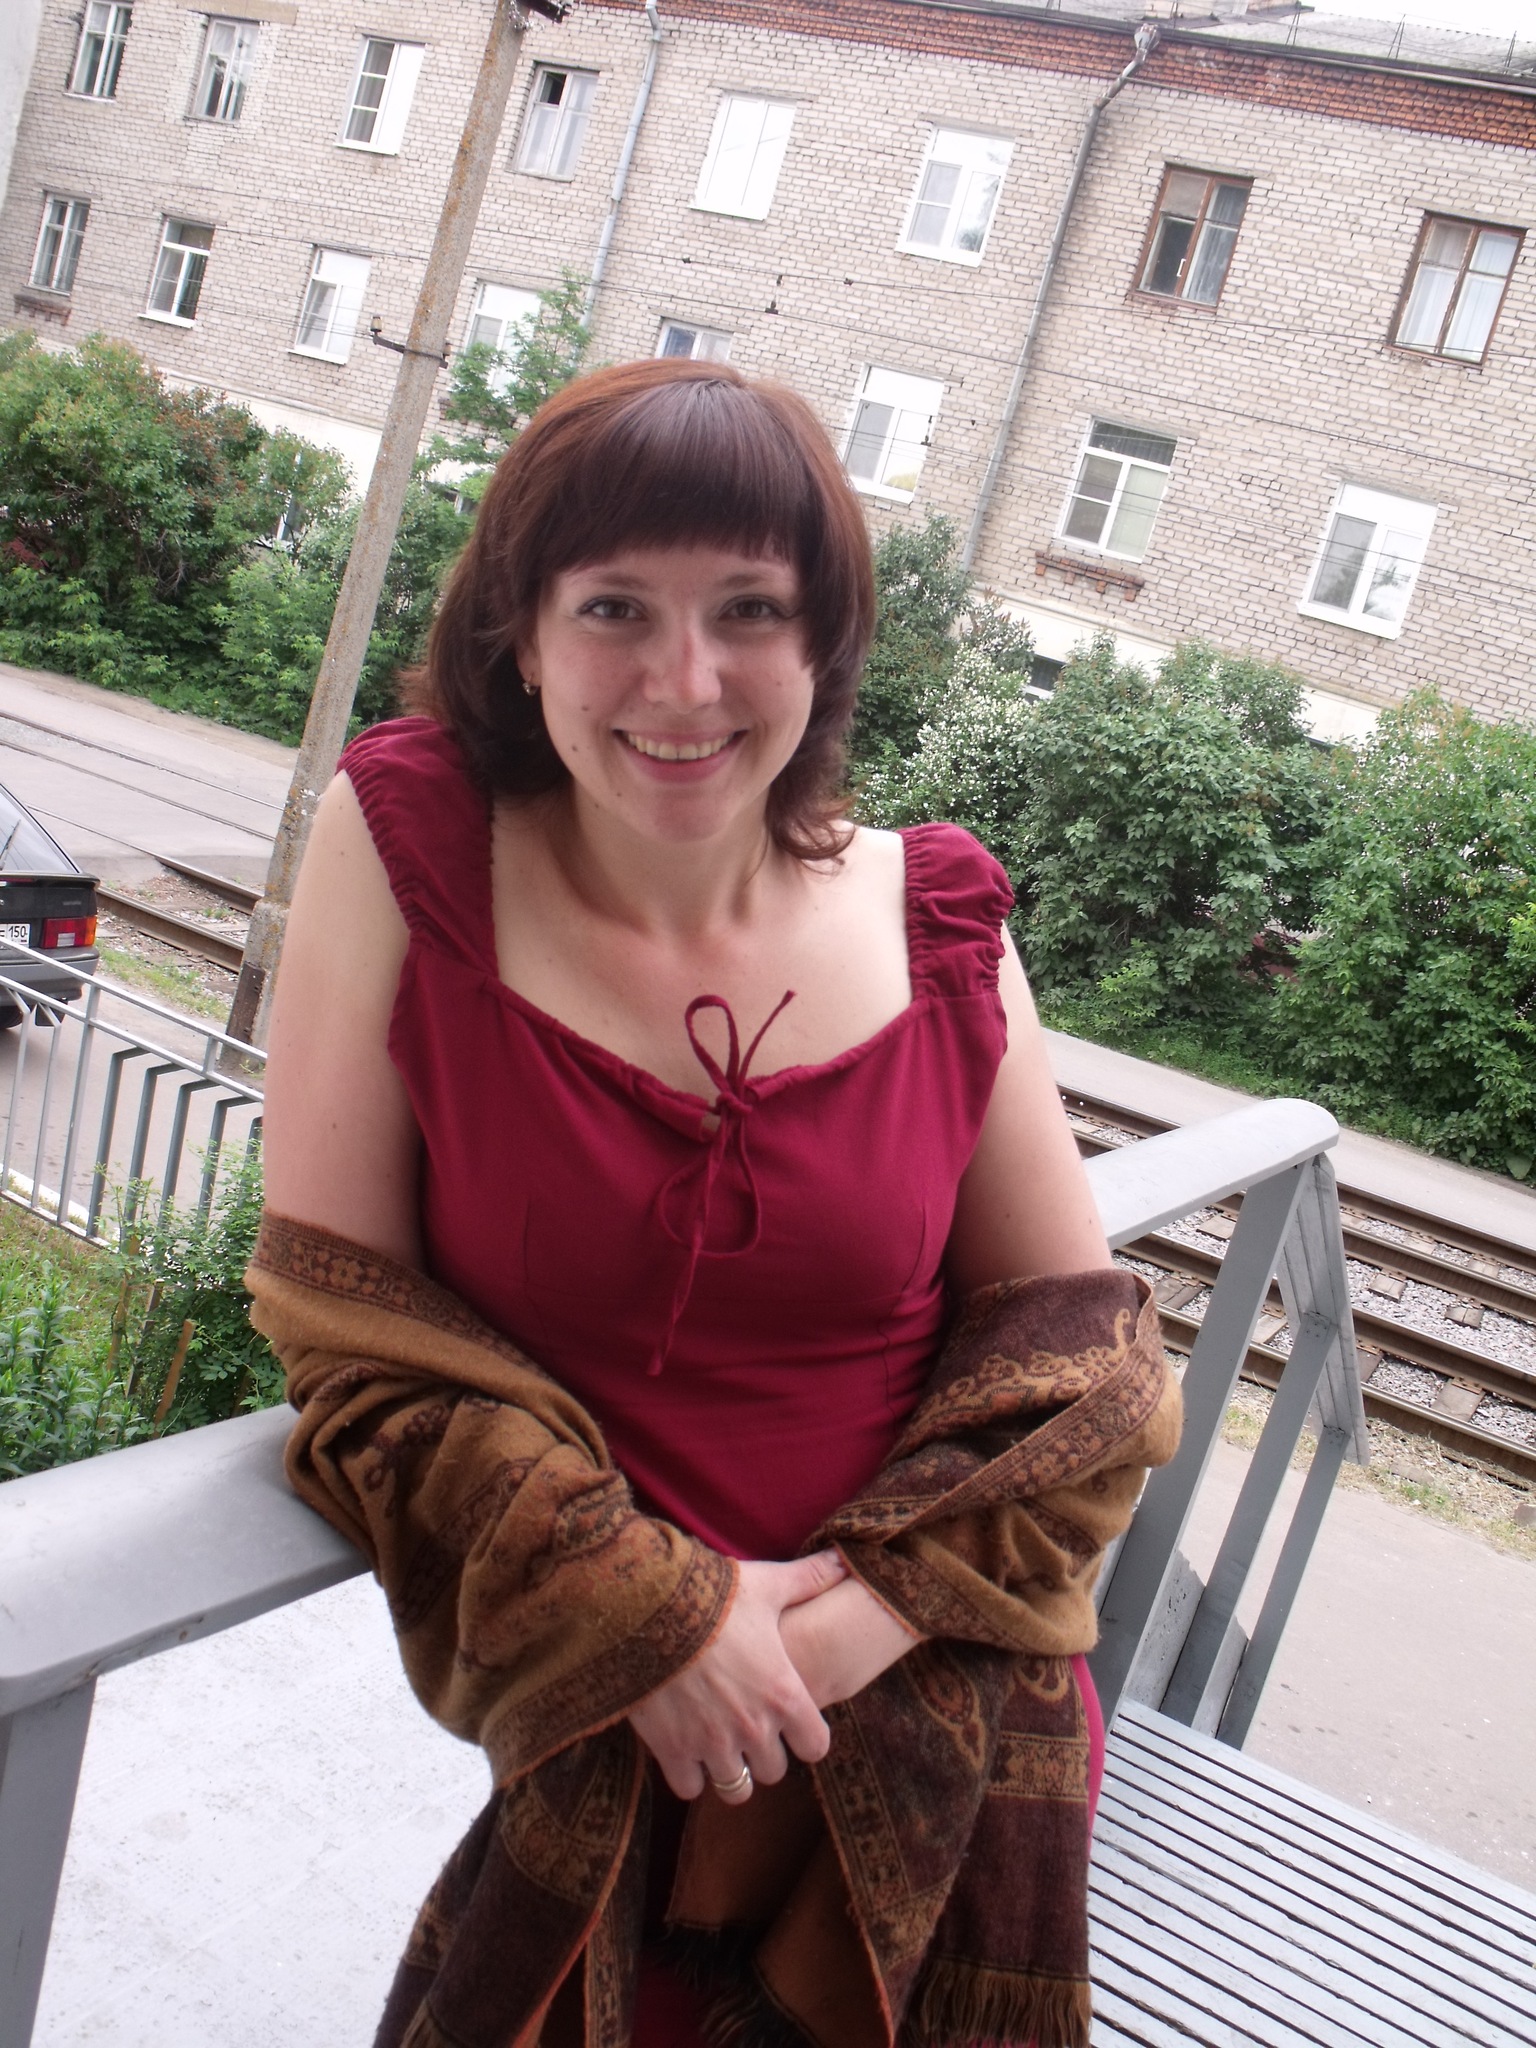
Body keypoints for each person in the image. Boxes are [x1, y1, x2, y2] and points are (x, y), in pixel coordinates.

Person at [254, 357, 1179, 2048]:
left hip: (933, 1731)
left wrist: (847, 1629)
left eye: (750, 609)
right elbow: (346, 1323)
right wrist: (652, 1622)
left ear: (824, 645)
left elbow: (1092, 1373)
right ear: (521, 638)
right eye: (615, 606)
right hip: (624, 1741)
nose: (684, 680)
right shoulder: (406, 843)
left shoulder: (938, 919)